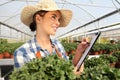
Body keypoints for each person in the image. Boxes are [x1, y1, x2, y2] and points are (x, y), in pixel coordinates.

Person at [14, 0, 89, 74]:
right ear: (38, 19)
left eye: (59, 19)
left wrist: (79, 51)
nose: (58, 23)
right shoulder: (22, 53)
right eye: (53, 17)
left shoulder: (57, 45)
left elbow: (68, 69)